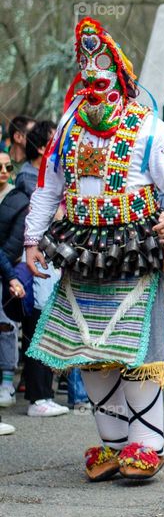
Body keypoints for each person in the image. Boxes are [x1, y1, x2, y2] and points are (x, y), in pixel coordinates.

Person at [24, 18, 164, 481]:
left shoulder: (149, 128)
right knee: (90, 350)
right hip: (81, 249)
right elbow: (47, 188)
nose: (94, 82)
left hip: (134, 248)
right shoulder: (67, 126)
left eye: (103, 72)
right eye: (87, 72)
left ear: (121, 76)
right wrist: (30, 240)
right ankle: (115, 444)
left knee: (138, 350)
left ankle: (147, 445)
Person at [2, 120, 66, 417]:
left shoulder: (38, 179)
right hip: (32, 267)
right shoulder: (31, 183)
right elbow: (23, 233)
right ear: (41, 147)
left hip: (40, 265)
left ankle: (41, 394)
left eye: (6, 167)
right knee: (36, 326)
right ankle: (39, 397)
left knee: (40, 325)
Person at [0, 151, 17, 407]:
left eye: (7, 166)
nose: (4, 171)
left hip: (8, 269)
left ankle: (6, 383)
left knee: (6, 327)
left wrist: (12, 275)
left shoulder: (16, 196)